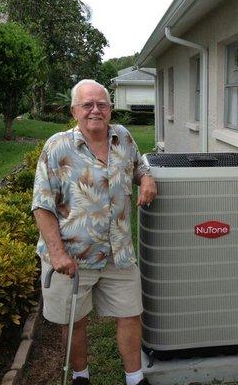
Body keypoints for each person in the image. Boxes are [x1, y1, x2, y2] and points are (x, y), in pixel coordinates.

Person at [32, 79, 157, 385]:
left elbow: (137, 165)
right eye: (87, 104)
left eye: (101, 104)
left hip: (119, 251)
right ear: (74, 110)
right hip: (72, 256)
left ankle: (135, 378)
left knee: (130, 314)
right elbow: (42, 205)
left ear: (110, 109)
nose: (95, 110)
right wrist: (58, 253)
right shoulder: (57, 147)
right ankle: (81, 376)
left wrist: (147, 178)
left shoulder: (124, 138)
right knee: (74, 322)